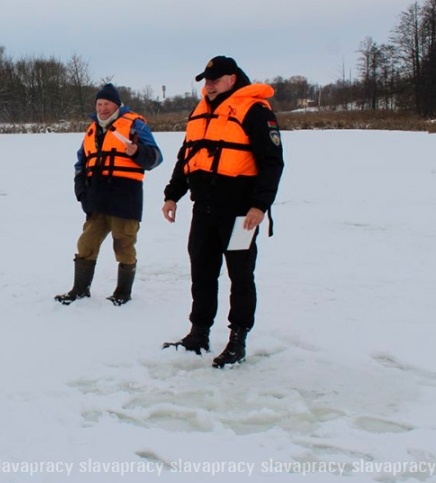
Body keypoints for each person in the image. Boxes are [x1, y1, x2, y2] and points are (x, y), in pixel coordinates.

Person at [161, 56, 284, 367]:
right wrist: (173, 195)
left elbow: (272, 162)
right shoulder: (199, 111)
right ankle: (199, 332)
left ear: (233, 79)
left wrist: (259, 205)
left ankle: (238, 338)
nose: (210, 84)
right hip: (203, 209)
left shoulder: (254, 111)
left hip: (241, 212)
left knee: (240, 276)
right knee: (201, 272)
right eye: (206, 79)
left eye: (216, 78)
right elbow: (186, 156)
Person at [55, 83, 163, 306]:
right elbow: (81, 163)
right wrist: (81, 191)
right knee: (86, 243)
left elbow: (156, 158)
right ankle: (80, 289)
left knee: (123, 245)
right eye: (99, 104)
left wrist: (138, 152)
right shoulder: (92, 129)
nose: (102, 108)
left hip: (125, 198)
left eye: (107, 104)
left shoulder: (135, 126)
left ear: (117, 105)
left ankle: (123, 292)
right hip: (97, 199)